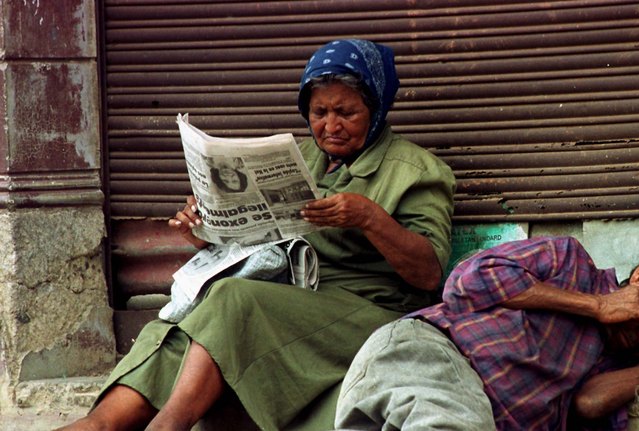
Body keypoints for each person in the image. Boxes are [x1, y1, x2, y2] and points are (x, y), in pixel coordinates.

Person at [59, 39, 455, 431]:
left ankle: (169, 425)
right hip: (288, 296)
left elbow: (428, 275)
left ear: (377, 108)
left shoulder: (417, 170)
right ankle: (98, 424)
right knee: (176, 329)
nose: (330, 126)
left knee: (234, 300)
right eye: (319, 112)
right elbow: (261, 238)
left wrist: (369, 217)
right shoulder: (301, 156)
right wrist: (206, 229)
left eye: (346, 112)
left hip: (367, 310)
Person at [334, 236, 639, 431]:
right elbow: (467, 282)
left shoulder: (615, 365)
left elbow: (589, 404)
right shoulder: (569, 260)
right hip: (428, 358)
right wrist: (598, 306)